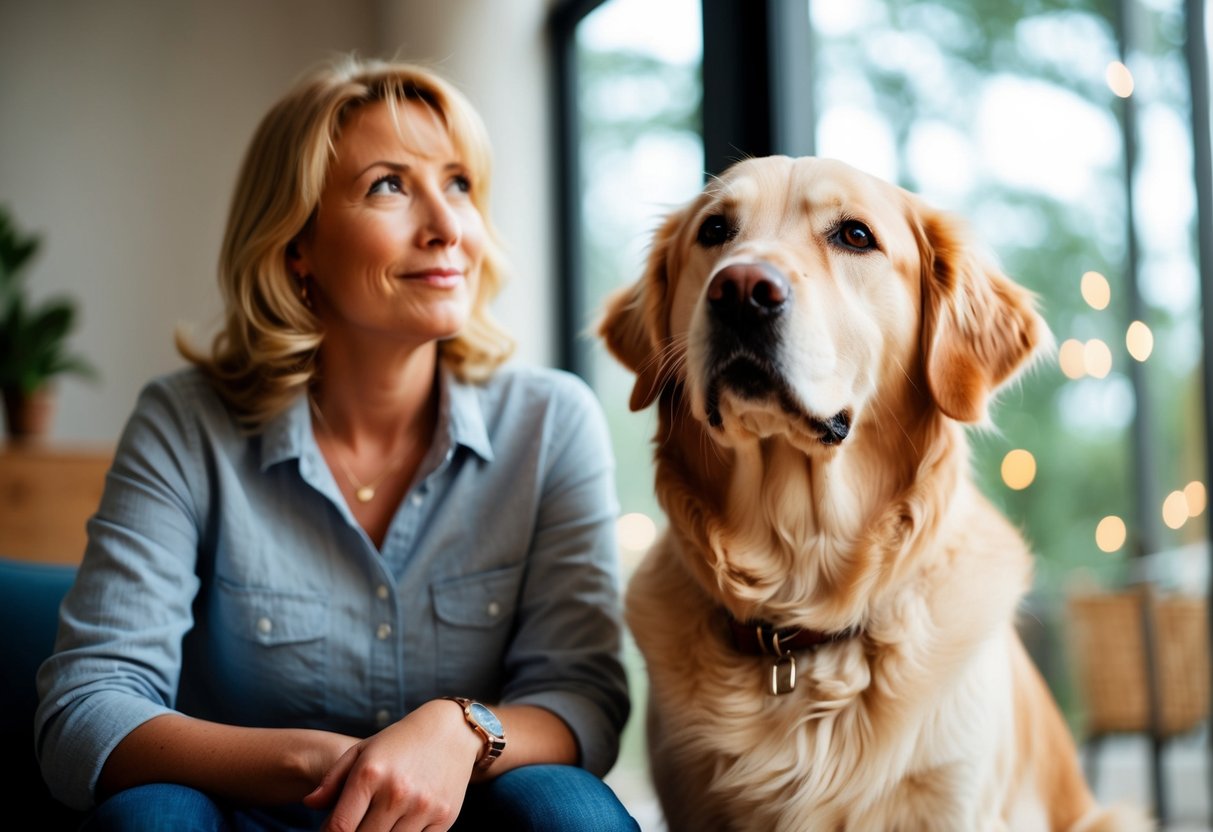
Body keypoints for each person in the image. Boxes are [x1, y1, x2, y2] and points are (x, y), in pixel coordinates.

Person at [34, 54, 637, 832]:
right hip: (247, 819)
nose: (448, 227)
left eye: (458, 183)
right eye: (389, 184)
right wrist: (321, 767)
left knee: (569, 809)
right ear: (298, 245)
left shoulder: (553, 421)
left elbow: (582, 700)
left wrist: (457, 730)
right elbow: (85, 711)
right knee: (150, 817)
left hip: (464, 818)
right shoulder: (185, 423)